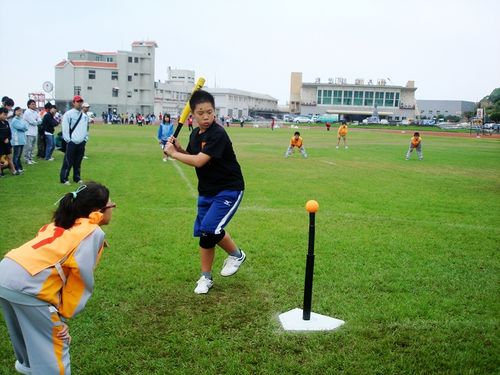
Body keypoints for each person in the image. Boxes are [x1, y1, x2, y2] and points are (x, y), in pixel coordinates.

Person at [0, 181, 115, 374]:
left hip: (5, 273)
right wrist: (62, 316)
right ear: (98, 211)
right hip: (27, 286)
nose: (113, 209)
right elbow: (80, 280)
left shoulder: (61, 222)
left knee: (27, 345)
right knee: (53, 348)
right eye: (112, 206)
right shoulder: (92, 232)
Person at [164, 90, 246, 294]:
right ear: (192, 114)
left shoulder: (218, 133)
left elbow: (201, 160)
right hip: (207, 190)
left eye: (210, 111)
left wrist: (173, 155)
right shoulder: (195, 133)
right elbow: (193, 158)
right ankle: (205, 277)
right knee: (205, 235)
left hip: (228, 189)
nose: (206, 116)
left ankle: (236, 255)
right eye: (201, 113)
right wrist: (179, 149)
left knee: (210, 228)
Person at [59, 96, 88, 185]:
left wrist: (85, 139)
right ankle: (64, 178)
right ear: (74, 103)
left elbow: (86, 128)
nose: (79, 103)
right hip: (72, 142)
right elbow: (65, 128)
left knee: (78, 161)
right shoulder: (68, 114)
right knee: (68, 161)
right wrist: (68, 140)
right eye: (78, 102)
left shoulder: (84, 116)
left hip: (81, 142)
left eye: (81, 102)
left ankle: (77, 177)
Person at [10, 106, 28, 174]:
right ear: (15, 111)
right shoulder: (14, 120)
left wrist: (23, 126)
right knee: (16, 156)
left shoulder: (20, 119)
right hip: (16, 140)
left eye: (20, 111)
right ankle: (16, 169)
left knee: (19, 155)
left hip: (21, 139)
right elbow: (21, 127)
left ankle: (20, 168)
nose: (20, 112)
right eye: (18, 111)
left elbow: (25, 128)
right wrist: (23, 126)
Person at [22, 99, 41, 165]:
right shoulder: (27, 112)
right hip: (28, 132)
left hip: (34, 132)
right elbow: (33, 122)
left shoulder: (35, 112)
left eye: (34, 104)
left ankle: (30, 159)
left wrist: (37, 121)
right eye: (32, 104)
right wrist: (37, 121)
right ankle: (27, 159)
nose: (34, 105)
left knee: (33, 146)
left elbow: (40, 120)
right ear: (28, 105)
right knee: (28, 147)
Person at [0, 107, 17, 175]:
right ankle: (0, 173)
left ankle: (14, 171)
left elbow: (9, 133)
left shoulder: (6, 122)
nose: (5, 116)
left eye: (6, 115)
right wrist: (3, 139)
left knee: (9, 157)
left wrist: (8, 138)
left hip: (7, 144)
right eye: (4, 114)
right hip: (0, 144)